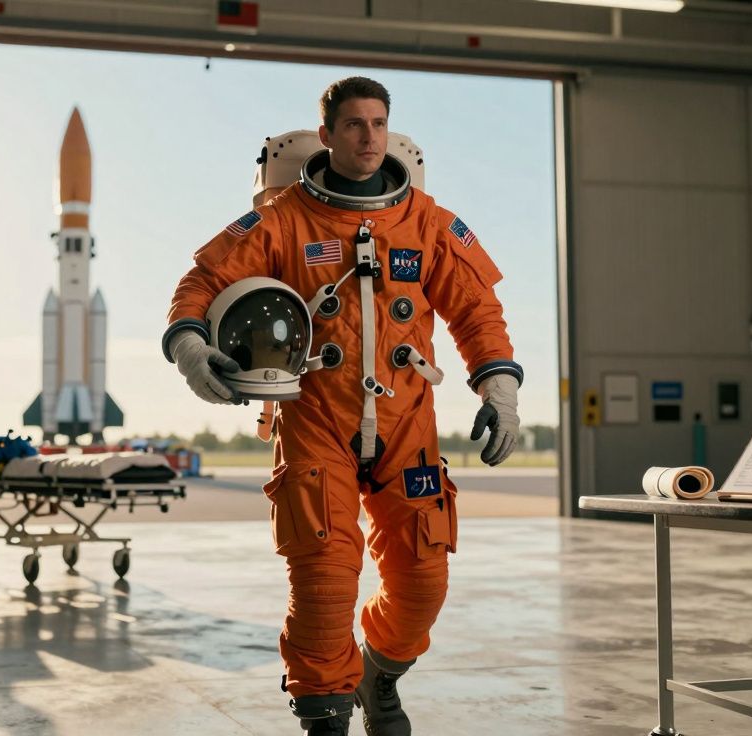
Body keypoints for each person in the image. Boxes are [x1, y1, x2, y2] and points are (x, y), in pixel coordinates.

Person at [163, 77, 523, 735]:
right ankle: (325, 714)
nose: (369, 137)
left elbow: (477, 310)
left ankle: (378, 674)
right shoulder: (283, 219)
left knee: (423, 580)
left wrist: (499, 388)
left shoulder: (427, 223)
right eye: (354, 124)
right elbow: (202, 283)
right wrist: (190, 347)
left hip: (406, 424)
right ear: (326, 135)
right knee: (324, 585)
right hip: (314, 418)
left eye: (379, 124)